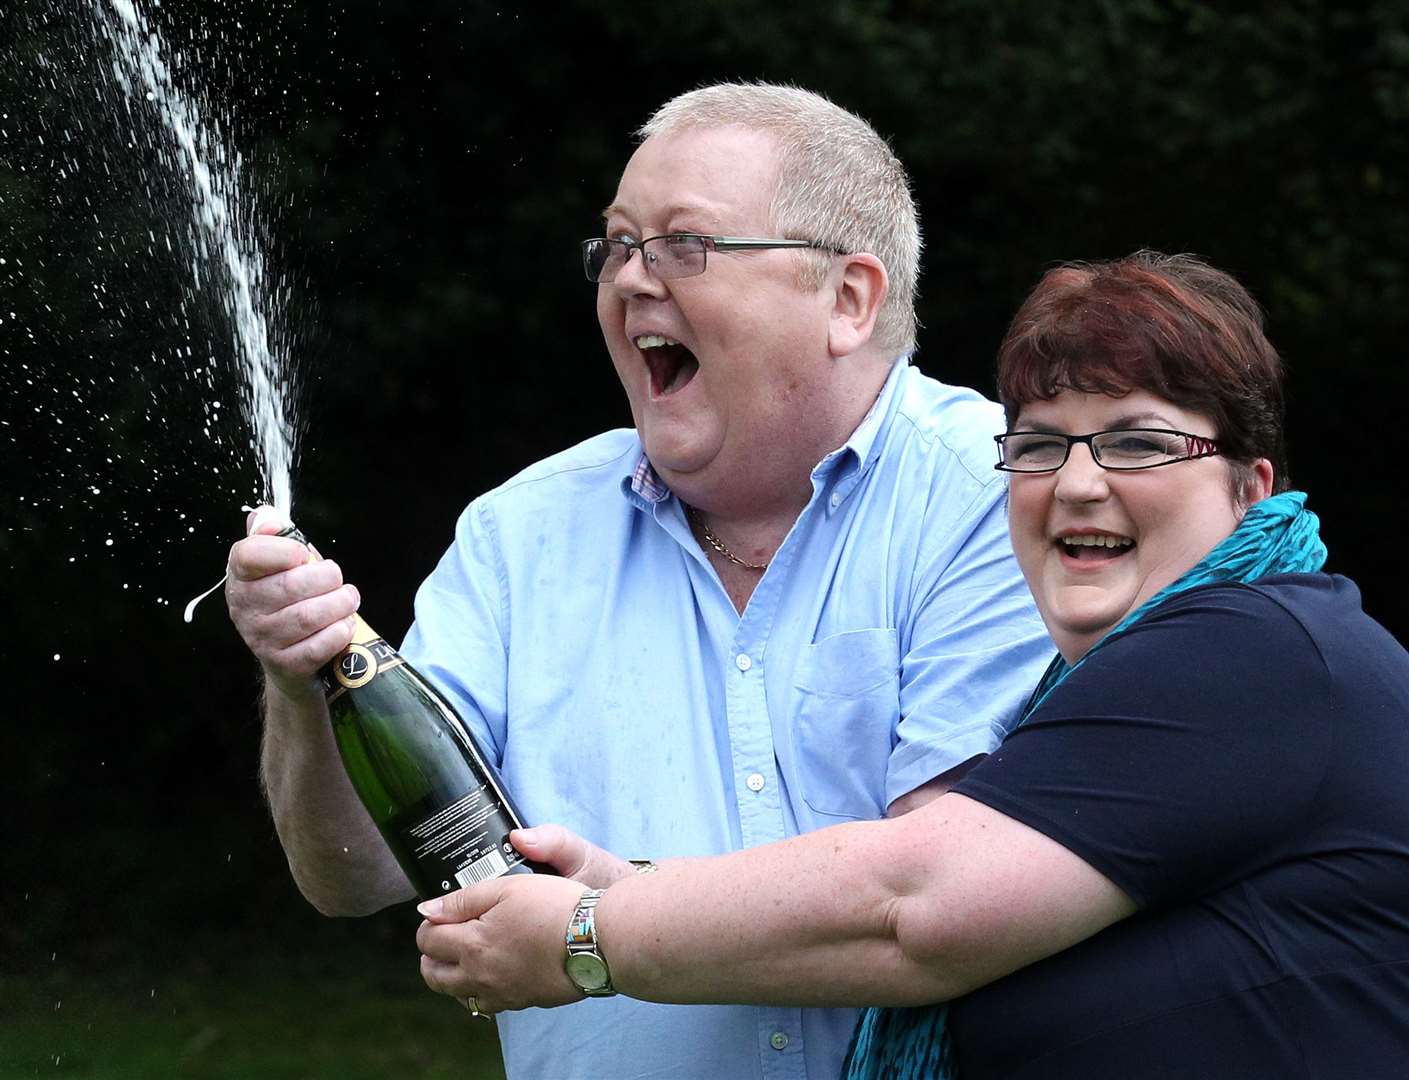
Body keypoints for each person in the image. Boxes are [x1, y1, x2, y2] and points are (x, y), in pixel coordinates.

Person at [225, 82, 1052, 1080]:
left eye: (682, 246)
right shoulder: (515, 536)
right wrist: (298, 684)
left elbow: (933, 897)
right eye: (616, 246)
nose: (630, 280)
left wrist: (594, 927)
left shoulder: (1006, 499)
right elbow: (351, 874)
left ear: (848, 299)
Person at [415, 251, 1409, 1079]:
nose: (1074, 485)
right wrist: (630, 887)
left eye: (1137, 444)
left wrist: (586, 936)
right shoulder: (1129, 694)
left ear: (1249, 486)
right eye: (1036, 447)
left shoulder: (1254, 650)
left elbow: (909, 908)